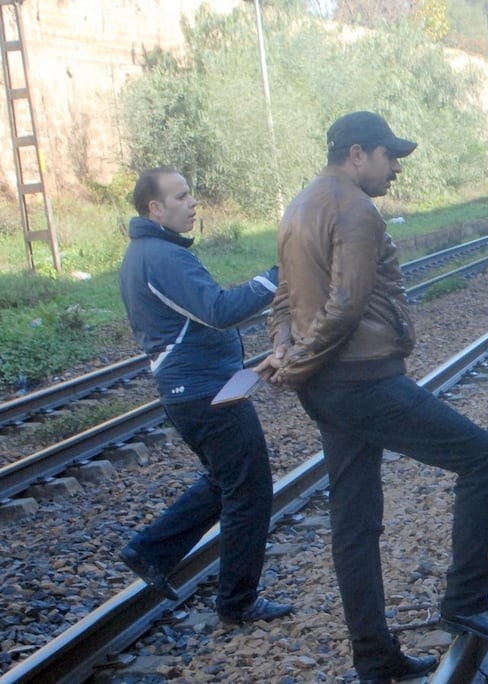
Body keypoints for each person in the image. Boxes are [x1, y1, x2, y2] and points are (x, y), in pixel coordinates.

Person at [256, 111, 488, 683]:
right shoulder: (356, 210)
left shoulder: (299, 204)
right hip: (362, 380)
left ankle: (376, 659)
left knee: (354, 523)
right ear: (358, 154)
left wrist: (285, 351)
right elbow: (347, 304)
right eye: (389, 155)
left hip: (329, 388)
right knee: (483, 457)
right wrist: (297, 364)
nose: (396, 167)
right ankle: (466, 600)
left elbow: (285, 296)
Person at [117, 167, 293, 626]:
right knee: (250, 493)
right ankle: (237, 602)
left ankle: (151, 550)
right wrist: (281, 276)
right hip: (205, 394)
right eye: (181, 196)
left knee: (224, 481)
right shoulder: (164, 257)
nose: (193, 203)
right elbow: (218, 311)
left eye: (190, 194)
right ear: (155, 208)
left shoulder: (146, 252)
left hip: (193, 390)